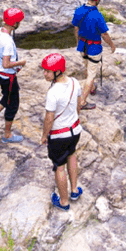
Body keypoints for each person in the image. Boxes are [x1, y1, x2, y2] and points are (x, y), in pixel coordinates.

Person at [40, 53, 83, 212]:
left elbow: (49, 118)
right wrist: (73, 118)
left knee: (59, 167)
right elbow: (79, 104)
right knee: (72, 155)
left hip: (59, 135)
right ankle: (74, 191)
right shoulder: (74, 82)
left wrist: (45, 135)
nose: (45, 74)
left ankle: (63, 202)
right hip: (75, 130)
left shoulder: (52, 93)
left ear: (57, 71)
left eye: (48, 71)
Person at [0, 8, 26, 143]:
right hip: (8, 77)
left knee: (6, 97)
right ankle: (7, 135)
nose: (20, 23)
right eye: (19, 21)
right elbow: (7, 64)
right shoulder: (7, 41)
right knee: (12, 105)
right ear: (14, 24)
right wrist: (21, 62)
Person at [72, 0, 115, 110]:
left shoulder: (78, 10)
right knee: (91, 74)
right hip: (94, 48)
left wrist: (78, 42)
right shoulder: (97, 15)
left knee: (87, 66)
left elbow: (76, 29)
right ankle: (83, 102)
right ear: (97, 0)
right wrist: (111, 45)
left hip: (82, 45)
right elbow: (104, 34)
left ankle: (91, 87)